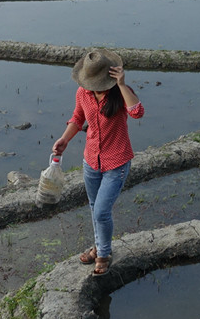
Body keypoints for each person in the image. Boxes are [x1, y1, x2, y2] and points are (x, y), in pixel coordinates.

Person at [52, 48, 143, 276]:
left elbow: (137, 112)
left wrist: (122, 84)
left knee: (102, 211)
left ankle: (103, 254)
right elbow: (77, 118)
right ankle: (99, 246)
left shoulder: (120, 93)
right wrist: (64, 140)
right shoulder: (83, 93)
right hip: (91, 161)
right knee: (94, 208)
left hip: (117, 162)